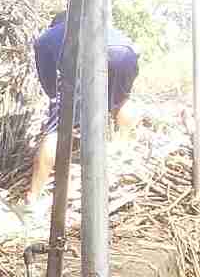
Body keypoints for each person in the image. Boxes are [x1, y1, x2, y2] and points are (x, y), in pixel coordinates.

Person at [24, 11, 140, 203]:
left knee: (56, 130)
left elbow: (51, 86)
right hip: (126, 52)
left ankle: (33, 195)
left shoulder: (47, 39)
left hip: (92, 52)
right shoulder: (95, 22)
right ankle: (122, 148)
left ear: (55, 25)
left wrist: (63, 109)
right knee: (121, 100)